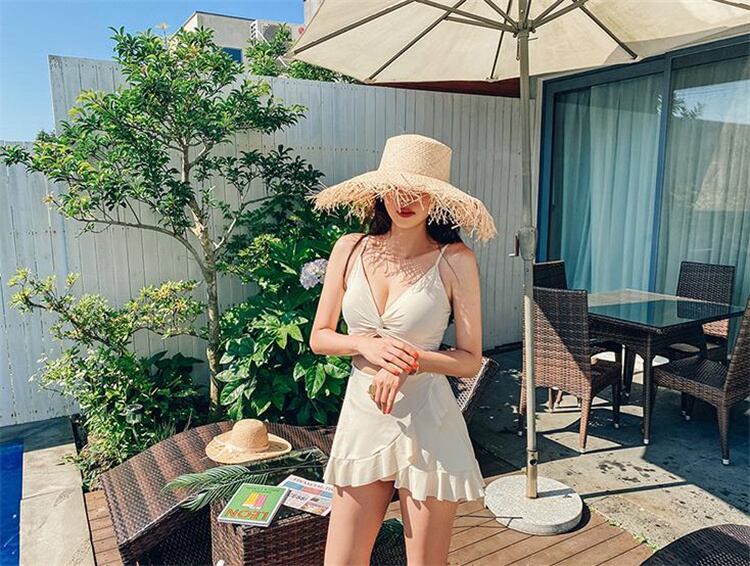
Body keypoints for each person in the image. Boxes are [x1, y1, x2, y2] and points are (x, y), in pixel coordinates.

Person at [308, 134, 496, 565]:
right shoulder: (349, 249)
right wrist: (365, 345)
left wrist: (407, 362)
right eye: (396, 188)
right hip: (364, 415)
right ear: (381, 192)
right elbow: (320, 336)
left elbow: (469, 360)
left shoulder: (456, 259)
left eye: (419, 191)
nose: (406, 200)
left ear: (437, 199)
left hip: (428, 422)